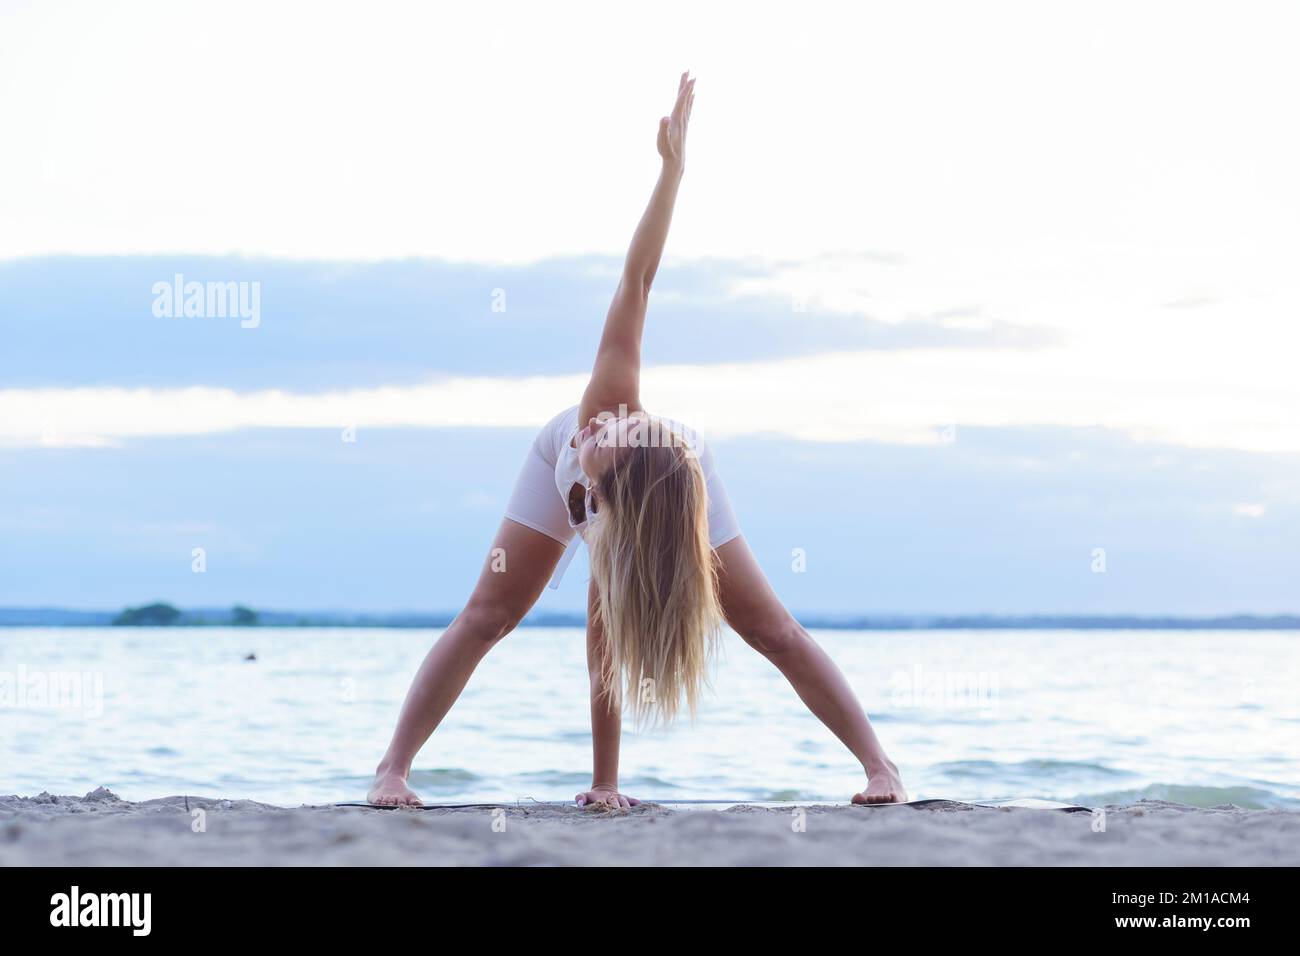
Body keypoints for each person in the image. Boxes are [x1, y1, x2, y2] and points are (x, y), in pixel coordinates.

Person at [368, 72, 906, 808]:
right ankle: (392, 768)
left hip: (664, 509)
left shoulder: (655, 509)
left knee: (773, 630)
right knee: (487, 616)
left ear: (604, 498)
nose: (595, 426)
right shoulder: (599, 410)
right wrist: (672, 173)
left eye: (604, 438)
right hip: (581, 473)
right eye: (610, 423)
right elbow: (638, 278)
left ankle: (882, 768)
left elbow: (608, 636)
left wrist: (604, 789)